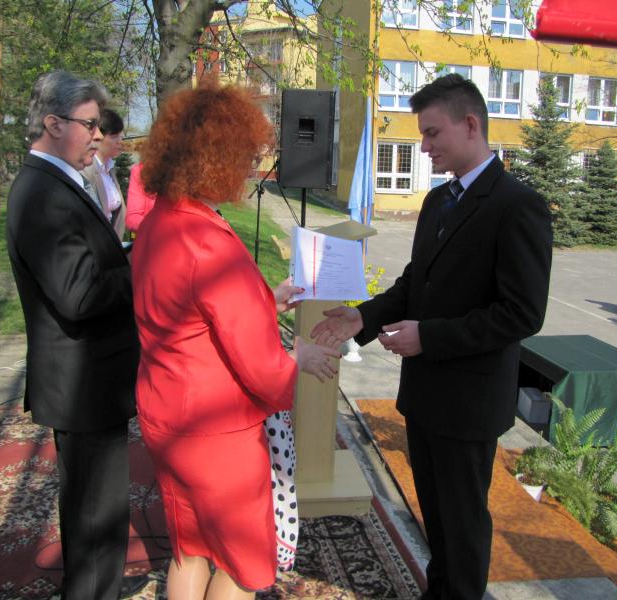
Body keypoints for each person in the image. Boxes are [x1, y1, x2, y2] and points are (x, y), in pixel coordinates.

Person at [311, 73, 553, 600]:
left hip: (469, 401)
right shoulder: (438, 201)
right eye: (422, 134)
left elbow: (522, 313)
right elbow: (414, 284)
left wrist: (430, 338)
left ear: (471, 125)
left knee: (462, 529)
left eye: (432, 133)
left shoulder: (517, 204)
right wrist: (362, 318)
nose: (424, 147)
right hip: (425, 395)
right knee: (437, 522)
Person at [131, 79, 339, 600]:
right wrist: (299, 357)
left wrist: (265, 300)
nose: (251, 169)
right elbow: (262, 368)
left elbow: (190, 316)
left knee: (190, 548)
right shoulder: (208, 241)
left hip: (165, 415)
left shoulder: (159, 222)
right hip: (215, 431)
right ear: (216, 158)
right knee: (243, 565)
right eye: (247, 156)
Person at [6, 71, 145, 599]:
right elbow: (79, 295)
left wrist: (124, 255)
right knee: (94, 522)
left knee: (100, 517)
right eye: (90, 124)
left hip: (91, 380)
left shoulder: (58, 181)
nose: (98, 135)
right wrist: (144, 264)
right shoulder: (43, 192)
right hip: (82, 382)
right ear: (53, 123)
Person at [82, 107, 127, 239]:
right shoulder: (86, 170)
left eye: (121, 136)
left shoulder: (110, 168)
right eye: (114, 136)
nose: (120, 141)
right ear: (97, 136)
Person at [124, 162, 155, 233]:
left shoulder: (180, 172)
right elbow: (132, 218)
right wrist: (158, 228)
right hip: (151, 235)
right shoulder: (140, 171)